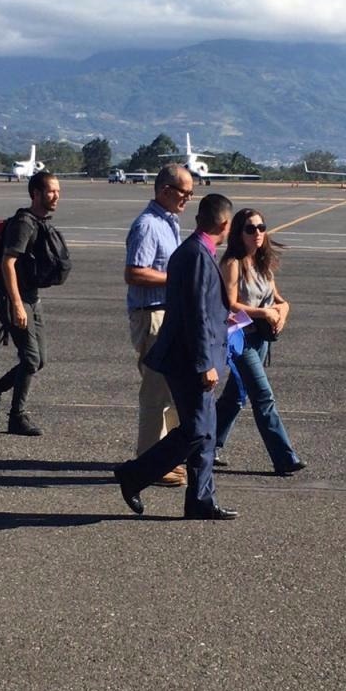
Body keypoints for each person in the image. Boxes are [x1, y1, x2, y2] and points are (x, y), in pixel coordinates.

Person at [115, 194, 238, 520]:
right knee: (197, 431)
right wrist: (205, 364)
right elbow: (195, 314)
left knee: (205, 432)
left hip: (193, 356)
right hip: (190, 361)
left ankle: (200, 500)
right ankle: (135, 474)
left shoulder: (195, 251)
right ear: (224, 224)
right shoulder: (197, 255)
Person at [214, 208, 306, 476]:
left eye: (261, 228)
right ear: (238, 233)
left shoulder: (262, 262)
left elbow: (277, 298)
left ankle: (206, 446)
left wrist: (283, 311)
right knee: (263, 396)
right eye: (250, 229)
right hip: (240, 338)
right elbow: (229, 304)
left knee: (235, 396)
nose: (257, 233)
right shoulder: (233, 263)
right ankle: (284, 457)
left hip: (261, 338)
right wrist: (264, 312)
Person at [0, 171, 67, 435]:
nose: (56, 197)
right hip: (15, 298)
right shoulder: (24, 224)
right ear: (35, 194)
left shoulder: (39, 222)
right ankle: (17, 417)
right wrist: (16, 304)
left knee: (39, 361)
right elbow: (8, 263)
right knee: (30, 359)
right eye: (51, 191)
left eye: (58, 192)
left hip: (32, 298)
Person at [123, 163, 194, 487]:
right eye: (184, 192)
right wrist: (175, 278)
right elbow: (135, 272)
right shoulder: (148, 226)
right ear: (165, 190)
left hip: (166, 313)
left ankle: (162, 457)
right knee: (154, 391)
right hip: (151, 313)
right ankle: (149, 463)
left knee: (168, 391)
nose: (188, 199)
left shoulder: (169, 223)